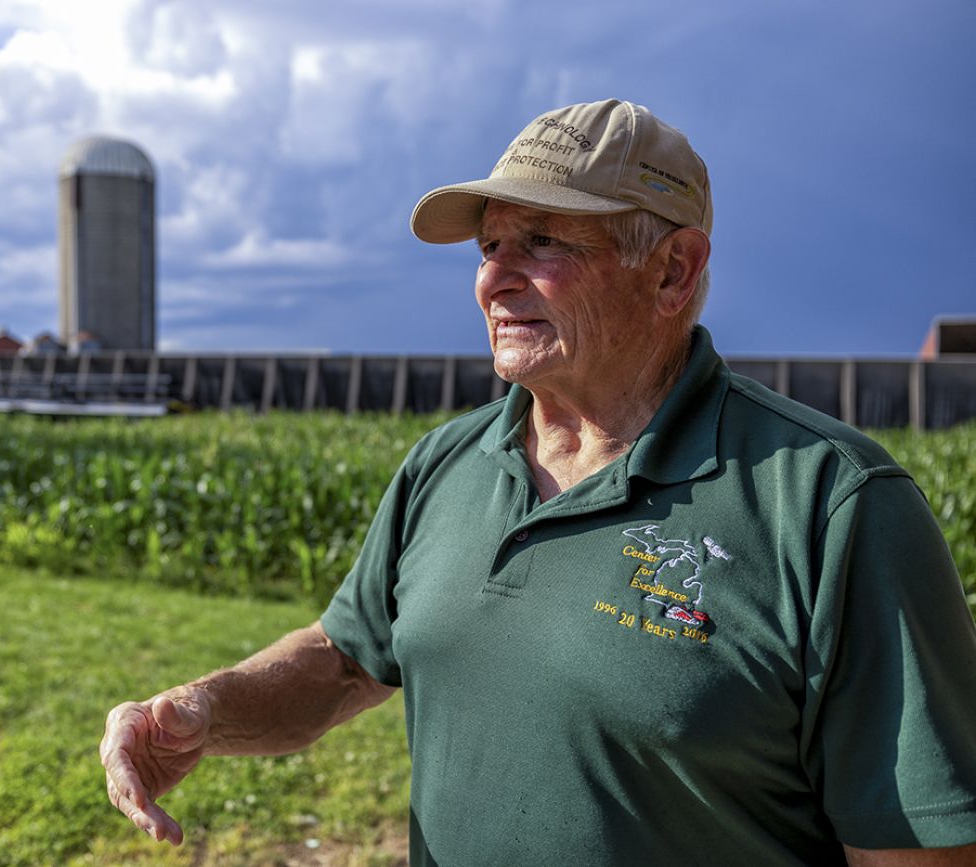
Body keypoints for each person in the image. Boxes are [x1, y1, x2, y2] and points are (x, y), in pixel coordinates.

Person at [101, 99, 976, 865]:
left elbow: (914, 844)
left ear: (673, 270)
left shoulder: (831, 505)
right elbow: (342, 663)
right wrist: (199, 711)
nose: (493, 278)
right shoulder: (443, 463)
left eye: (544, 241)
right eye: (488, 246)